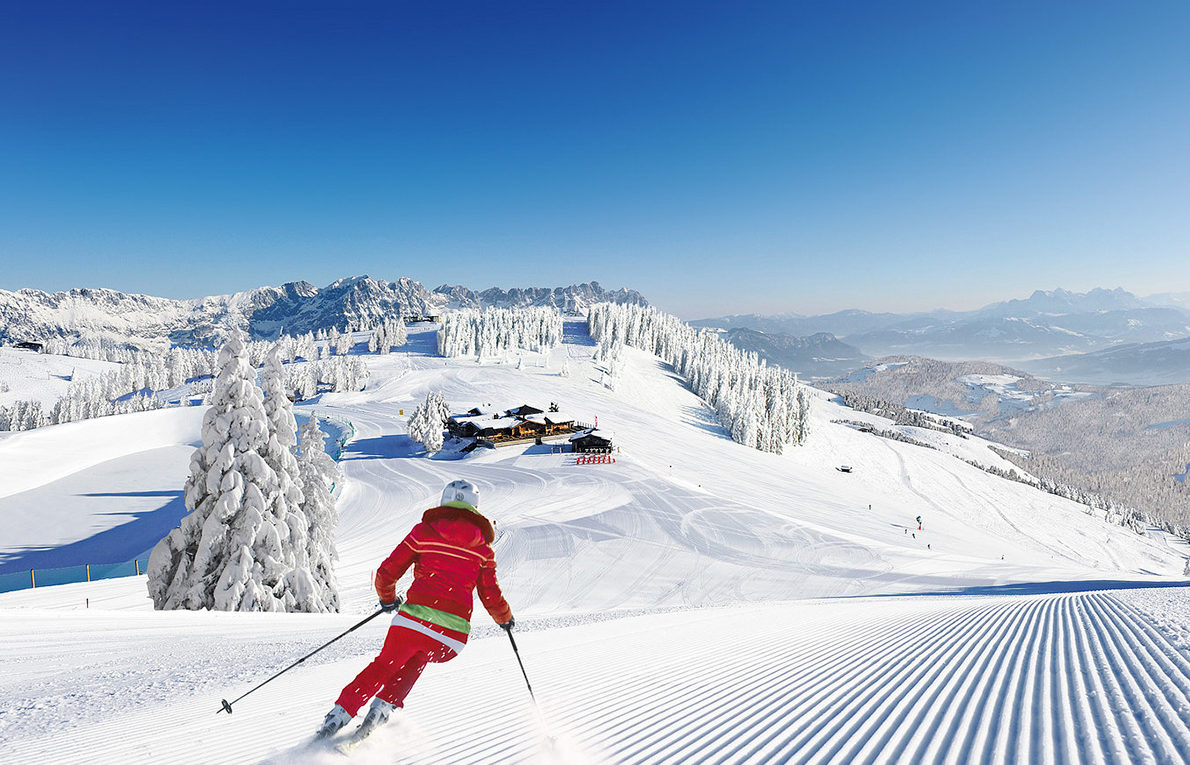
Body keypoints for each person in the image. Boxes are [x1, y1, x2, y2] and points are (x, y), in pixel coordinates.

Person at [316, 479, 514, 741]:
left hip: (413, 622)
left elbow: (386, 574)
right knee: (419, 656)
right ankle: (380, 711)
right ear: (475, 508)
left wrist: (388, 599)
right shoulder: (483, 550)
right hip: (451, 637)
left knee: (385, 665)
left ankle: (340, 715)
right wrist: (505, 619)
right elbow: (489, 593)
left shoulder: (423, 533)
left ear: (444, 502)